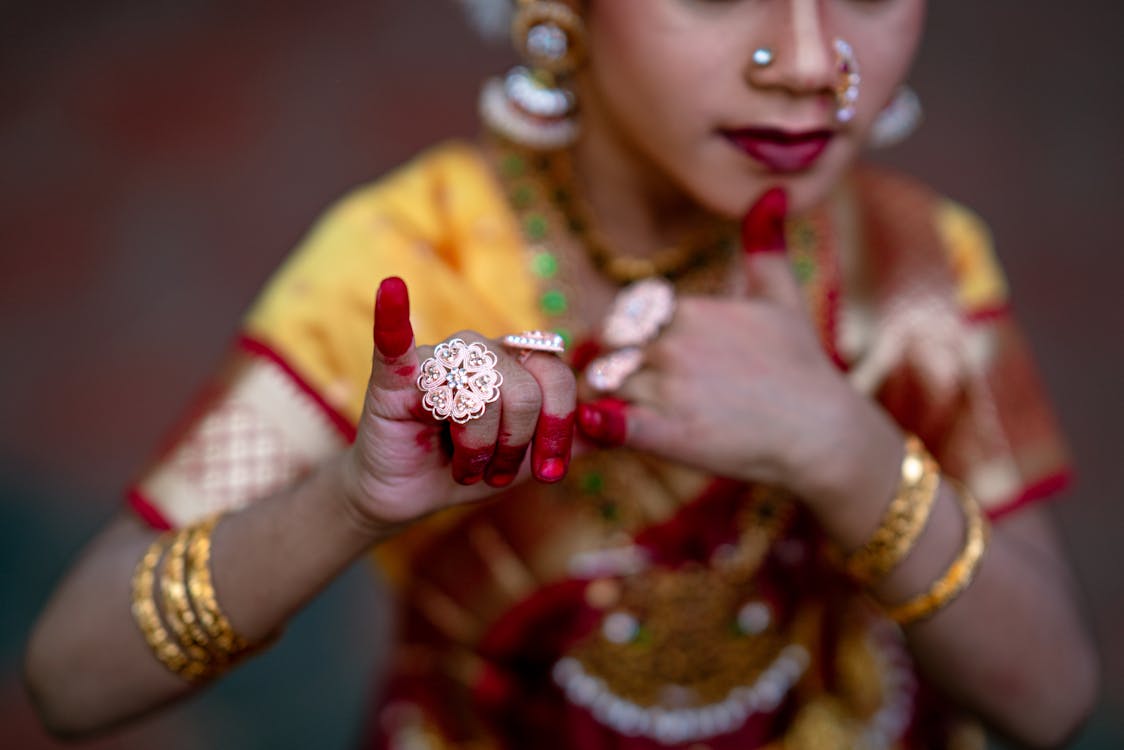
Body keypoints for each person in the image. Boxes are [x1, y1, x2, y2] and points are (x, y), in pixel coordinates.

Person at [24, 1, 1098, 747]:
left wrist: (846, 452)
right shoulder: (415, 261)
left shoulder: (909, 268)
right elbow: (73, 676)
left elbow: (1050, 703)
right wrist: (346, 504)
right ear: (561, 5)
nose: (813, 59)